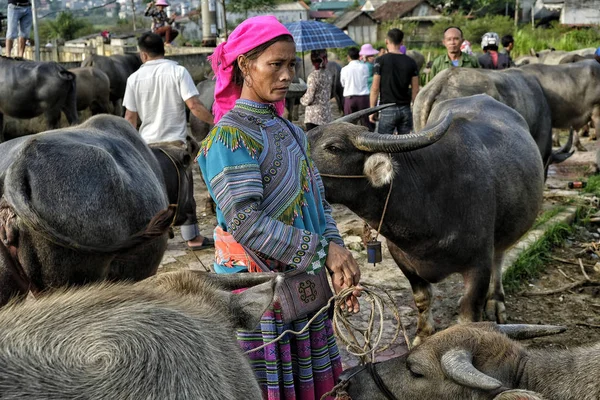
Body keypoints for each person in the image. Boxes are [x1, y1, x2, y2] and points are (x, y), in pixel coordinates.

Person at [197, 15, 362, 400]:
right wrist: (324, 253)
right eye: (276, 65)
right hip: (258, 296)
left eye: (291, 64)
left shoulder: (289, 132)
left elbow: (317, 203)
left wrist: (337, 262)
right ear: (244, 65)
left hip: (304, 287)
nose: (288, 75)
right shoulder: (231, 136)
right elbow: (245, 221)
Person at [123, 32, 215, 251]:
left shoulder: (134, 78)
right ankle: (192, 238)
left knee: (152, 192)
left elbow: (130, 118)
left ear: (143, 54)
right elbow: (193, 105)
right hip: (175, 147)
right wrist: (217, 121)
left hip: (147, 148)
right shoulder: (178, 71)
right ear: (164, 49)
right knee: (184, 191)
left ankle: (155, 237)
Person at [369, 28, 419, 135]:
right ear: (402, 42)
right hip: (405, 109)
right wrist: (414, 109)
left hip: (387, 108)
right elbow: (415, 89)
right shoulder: (411, 62)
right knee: (405, 146)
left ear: (386, 41)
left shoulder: (380, 61)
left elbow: (375, 88)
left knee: (383, 144)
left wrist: (372, 110)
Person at [340, 47, 372, 130]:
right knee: (365, 122)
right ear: (359, 56)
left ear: (348, 57)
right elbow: (367, 78)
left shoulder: (344, 69)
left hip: (350, 99)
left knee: (349, 124)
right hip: (363, 98)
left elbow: (343, 84)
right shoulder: (365, 67)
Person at [300, 49, 333, 131]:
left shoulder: (313, 76)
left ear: (312, 61)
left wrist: (302, 99)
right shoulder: (328, 74)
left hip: (313, 117)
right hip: (326, 115)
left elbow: (309, 99)